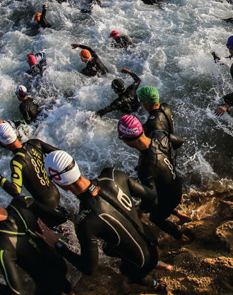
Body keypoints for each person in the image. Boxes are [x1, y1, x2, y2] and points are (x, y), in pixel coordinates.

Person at [37, 151, 170, 291]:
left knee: (129, 272)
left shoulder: (85, 221)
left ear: (59, 182)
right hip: (151, 240)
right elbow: (151, 195)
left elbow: (88, 269)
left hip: (140, 262)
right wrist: (139, 210)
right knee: (108, 248)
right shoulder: (112, 175)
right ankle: (158, 263)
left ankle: (156, 286)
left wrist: (57, 244)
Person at [117, 116, 190, 243]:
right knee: (162, 203)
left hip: (170, 195)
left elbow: (151, 197)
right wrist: (168, 161)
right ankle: (183, 216)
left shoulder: (146, 167)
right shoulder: (158, 134)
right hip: (175, 182)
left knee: (155, 218)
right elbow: (179, 141)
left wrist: (141, 210)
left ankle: (181, 237)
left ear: (127, 140)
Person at [0, 195, 72, 295]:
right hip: (60, 264)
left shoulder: (3, 246)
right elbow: (61, 219)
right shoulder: (23, 202)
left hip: (46, 285)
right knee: (64, 286)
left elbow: (16, 291)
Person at [0, 122, 62, 210]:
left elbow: (16, 191)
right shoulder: (35, 143)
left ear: (4, 143)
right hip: (56, 193)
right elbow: (60, 154)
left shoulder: (17, 162)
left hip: (45, 204)